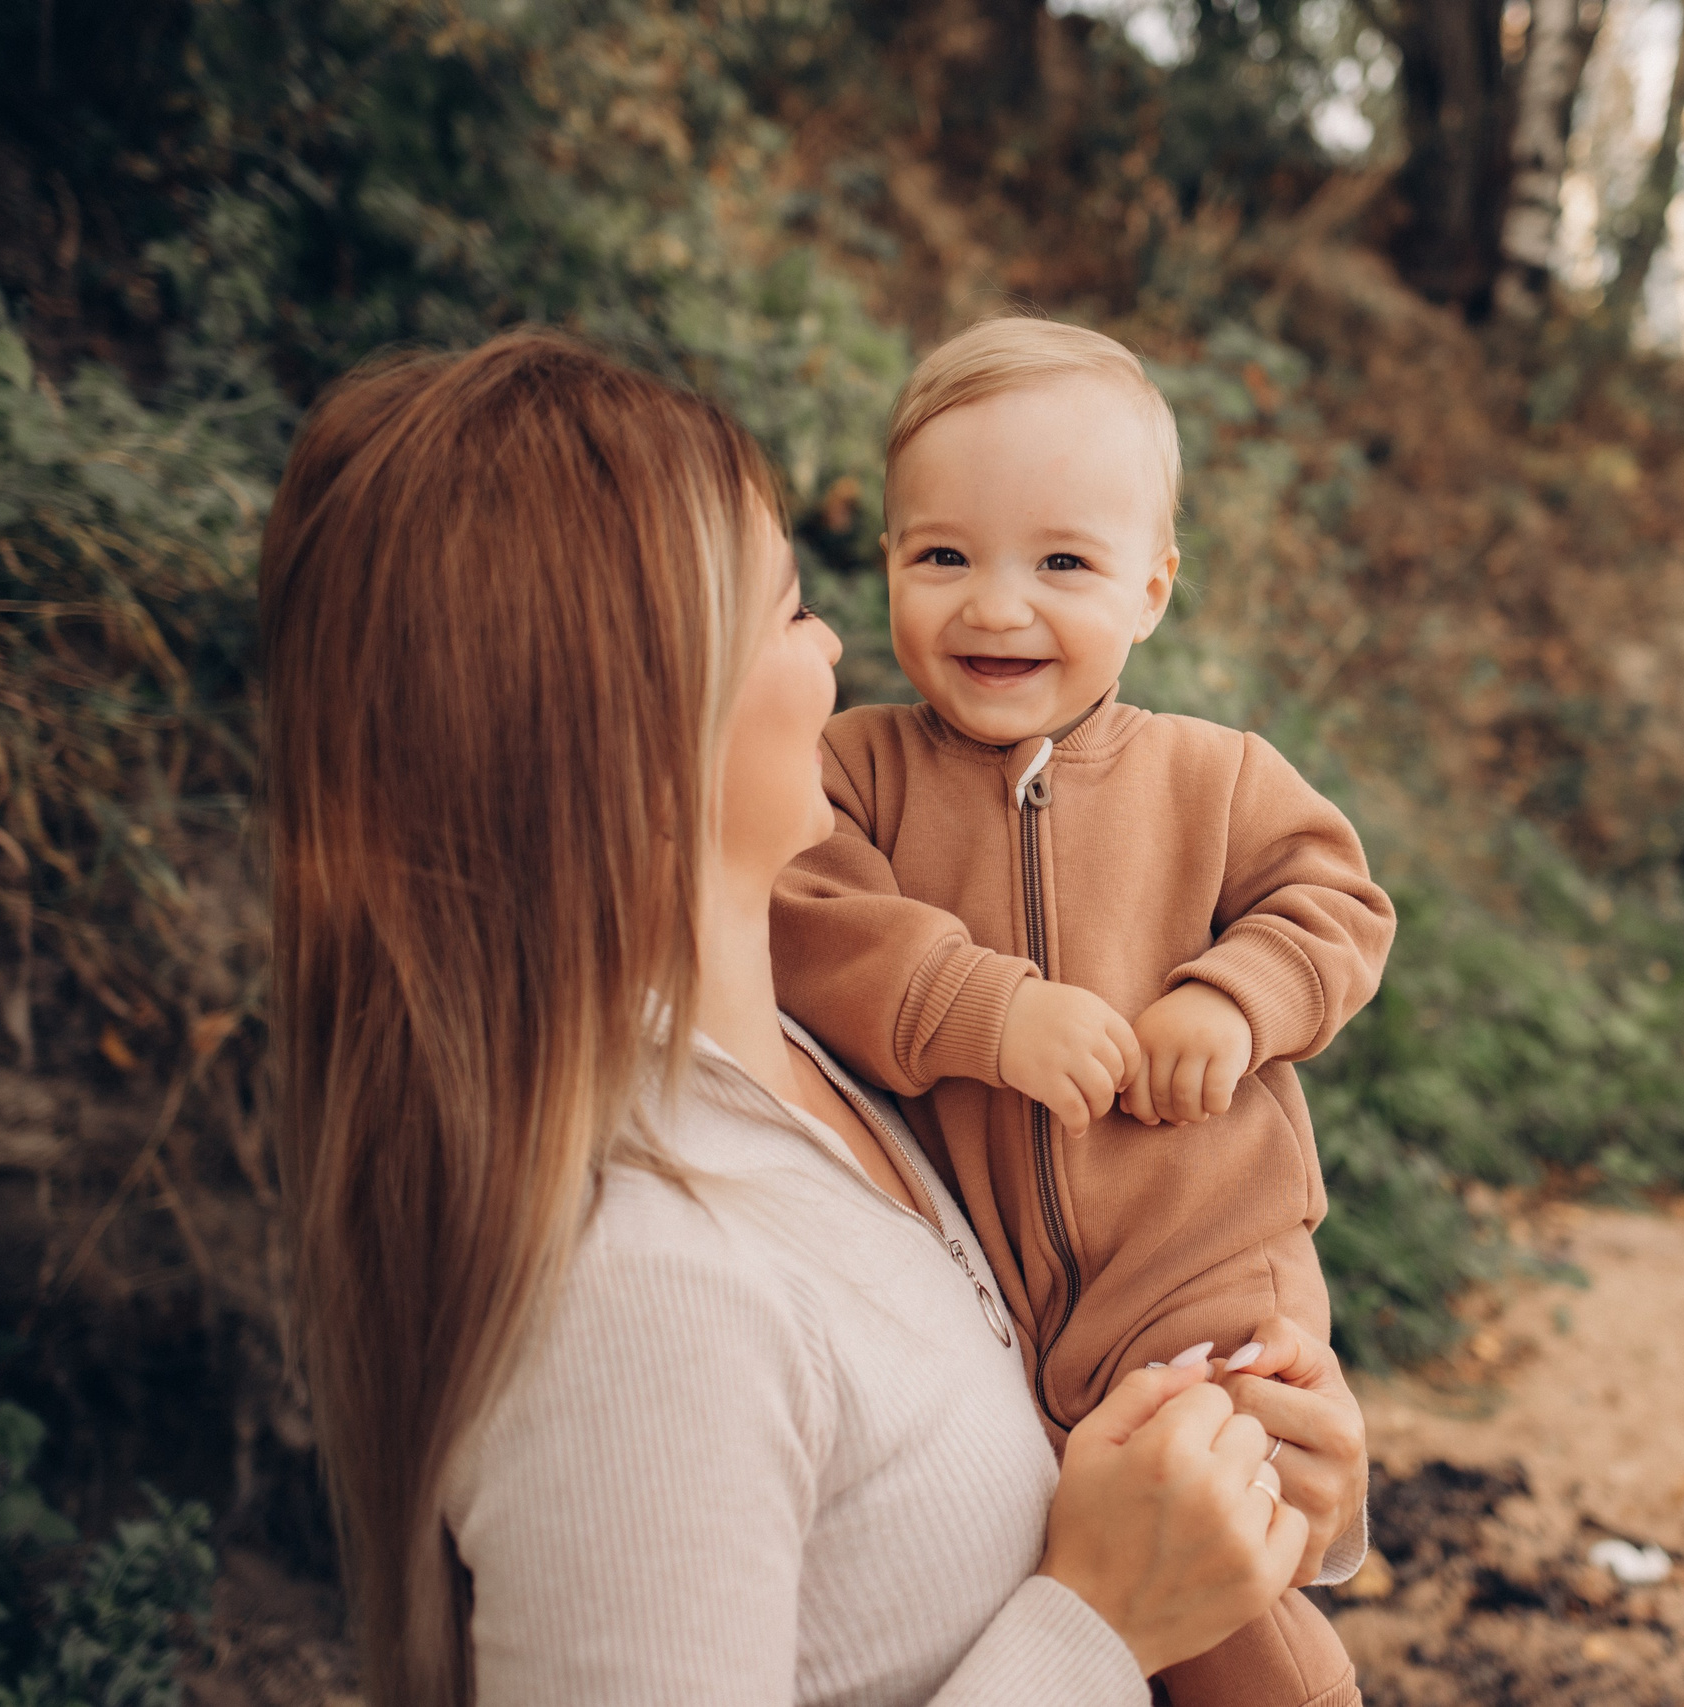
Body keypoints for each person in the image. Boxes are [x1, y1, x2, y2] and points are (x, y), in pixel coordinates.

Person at [258, 329, 1373, 1707]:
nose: (845, 646)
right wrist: (1095, 1628)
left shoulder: (836, 1081)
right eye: (791, 609)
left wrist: (1245, 1493)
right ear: (638, 720)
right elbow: (1080, 1597)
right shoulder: (647, 1296)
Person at [770, 318, 1397, 1707]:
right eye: (944, 556)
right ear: (885, 568)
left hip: (1204, 1282)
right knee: (1068, 1604)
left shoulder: (1214, 779)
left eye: (1062, 563)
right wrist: (984, 1010)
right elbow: (805, 913)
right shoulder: (854, 772)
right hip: (995, 1304)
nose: (997, 606)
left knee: (1236, 1619)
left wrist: (1234, 1005)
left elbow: (1339, 909)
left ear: (1153, 590)